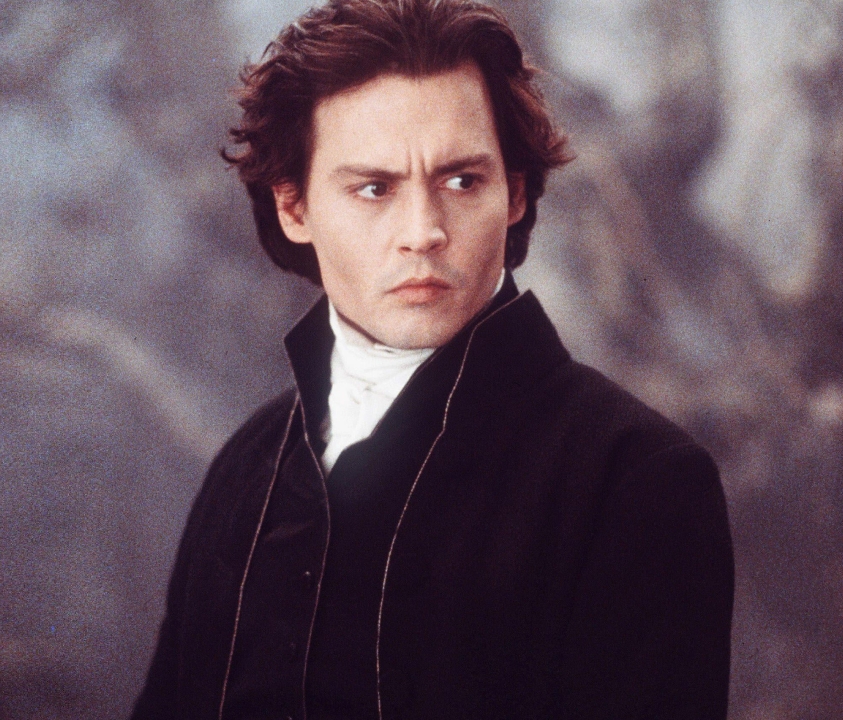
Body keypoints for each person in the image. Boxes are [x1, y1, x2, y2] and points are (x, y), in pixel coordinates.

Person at [131, 0, 733, 717]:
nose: (423, 232)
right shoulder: (244, 469)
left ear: (514, 193)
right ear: (294, 208)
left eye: (461, 181)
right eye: (374, 188)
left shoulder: (636, 478)